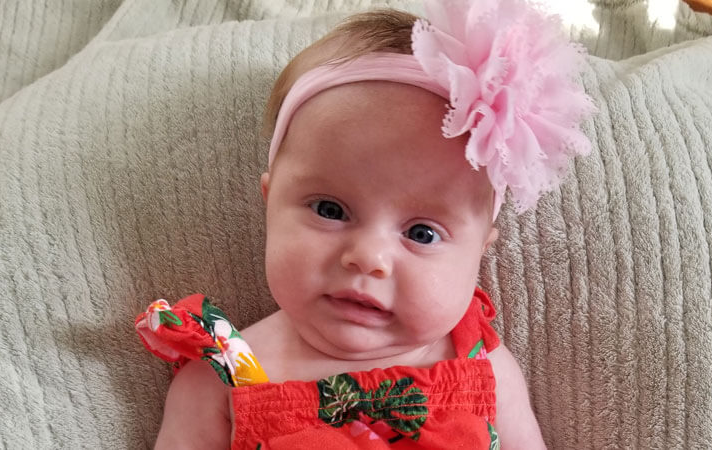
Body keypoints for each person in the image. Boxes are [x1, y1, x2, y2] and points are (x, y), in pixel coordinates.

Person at [135, 0, 595, 448]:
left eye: (422, 234)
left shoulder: (484, 368)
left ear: (479, 251)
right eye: (330, 210)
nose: (369, 257)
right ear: (270, 202)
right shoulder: (220, 380)